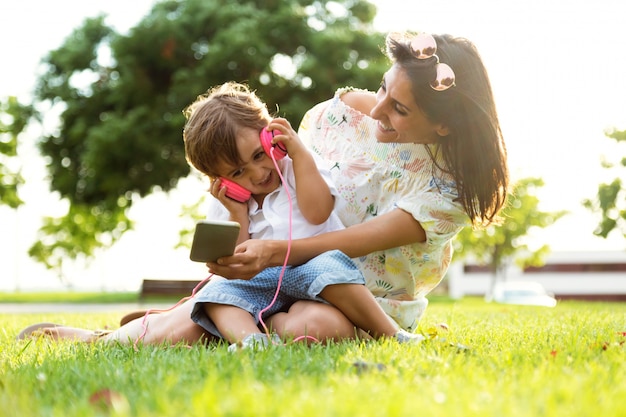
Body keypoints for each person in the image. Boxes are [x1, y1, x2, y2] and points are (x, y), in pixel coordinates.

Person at [16, 30, 508, 346]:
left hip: (356, 296)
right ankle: (109, 337)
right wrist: (237, 234)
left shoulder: (448, 194)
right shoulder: (350, 114)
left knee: (313, 327)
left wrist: (273, 253)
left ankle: (206, 320)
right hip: (276, 275)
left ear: (444, 125)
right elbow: (272, 193)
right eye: (383, 88)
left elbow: (340, 244)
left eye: (399, 110)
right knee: (232, 304)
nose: (377, 111)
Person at [182, 82, 422, 349]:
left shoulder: (297, 166)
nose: (258, 173)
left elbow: (318, 213)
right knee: (214, 294)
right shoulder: (227, 202)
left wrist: (299, 156)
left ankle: (391, 334)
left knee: (331, 266)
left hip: (312, 268)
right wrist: (238, 212)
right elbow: (239, 261)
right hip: (262, 283)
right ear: (220, 180)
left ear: (271, 136)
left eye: (259, 155)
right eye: (238, 173)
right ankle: (252, 341)